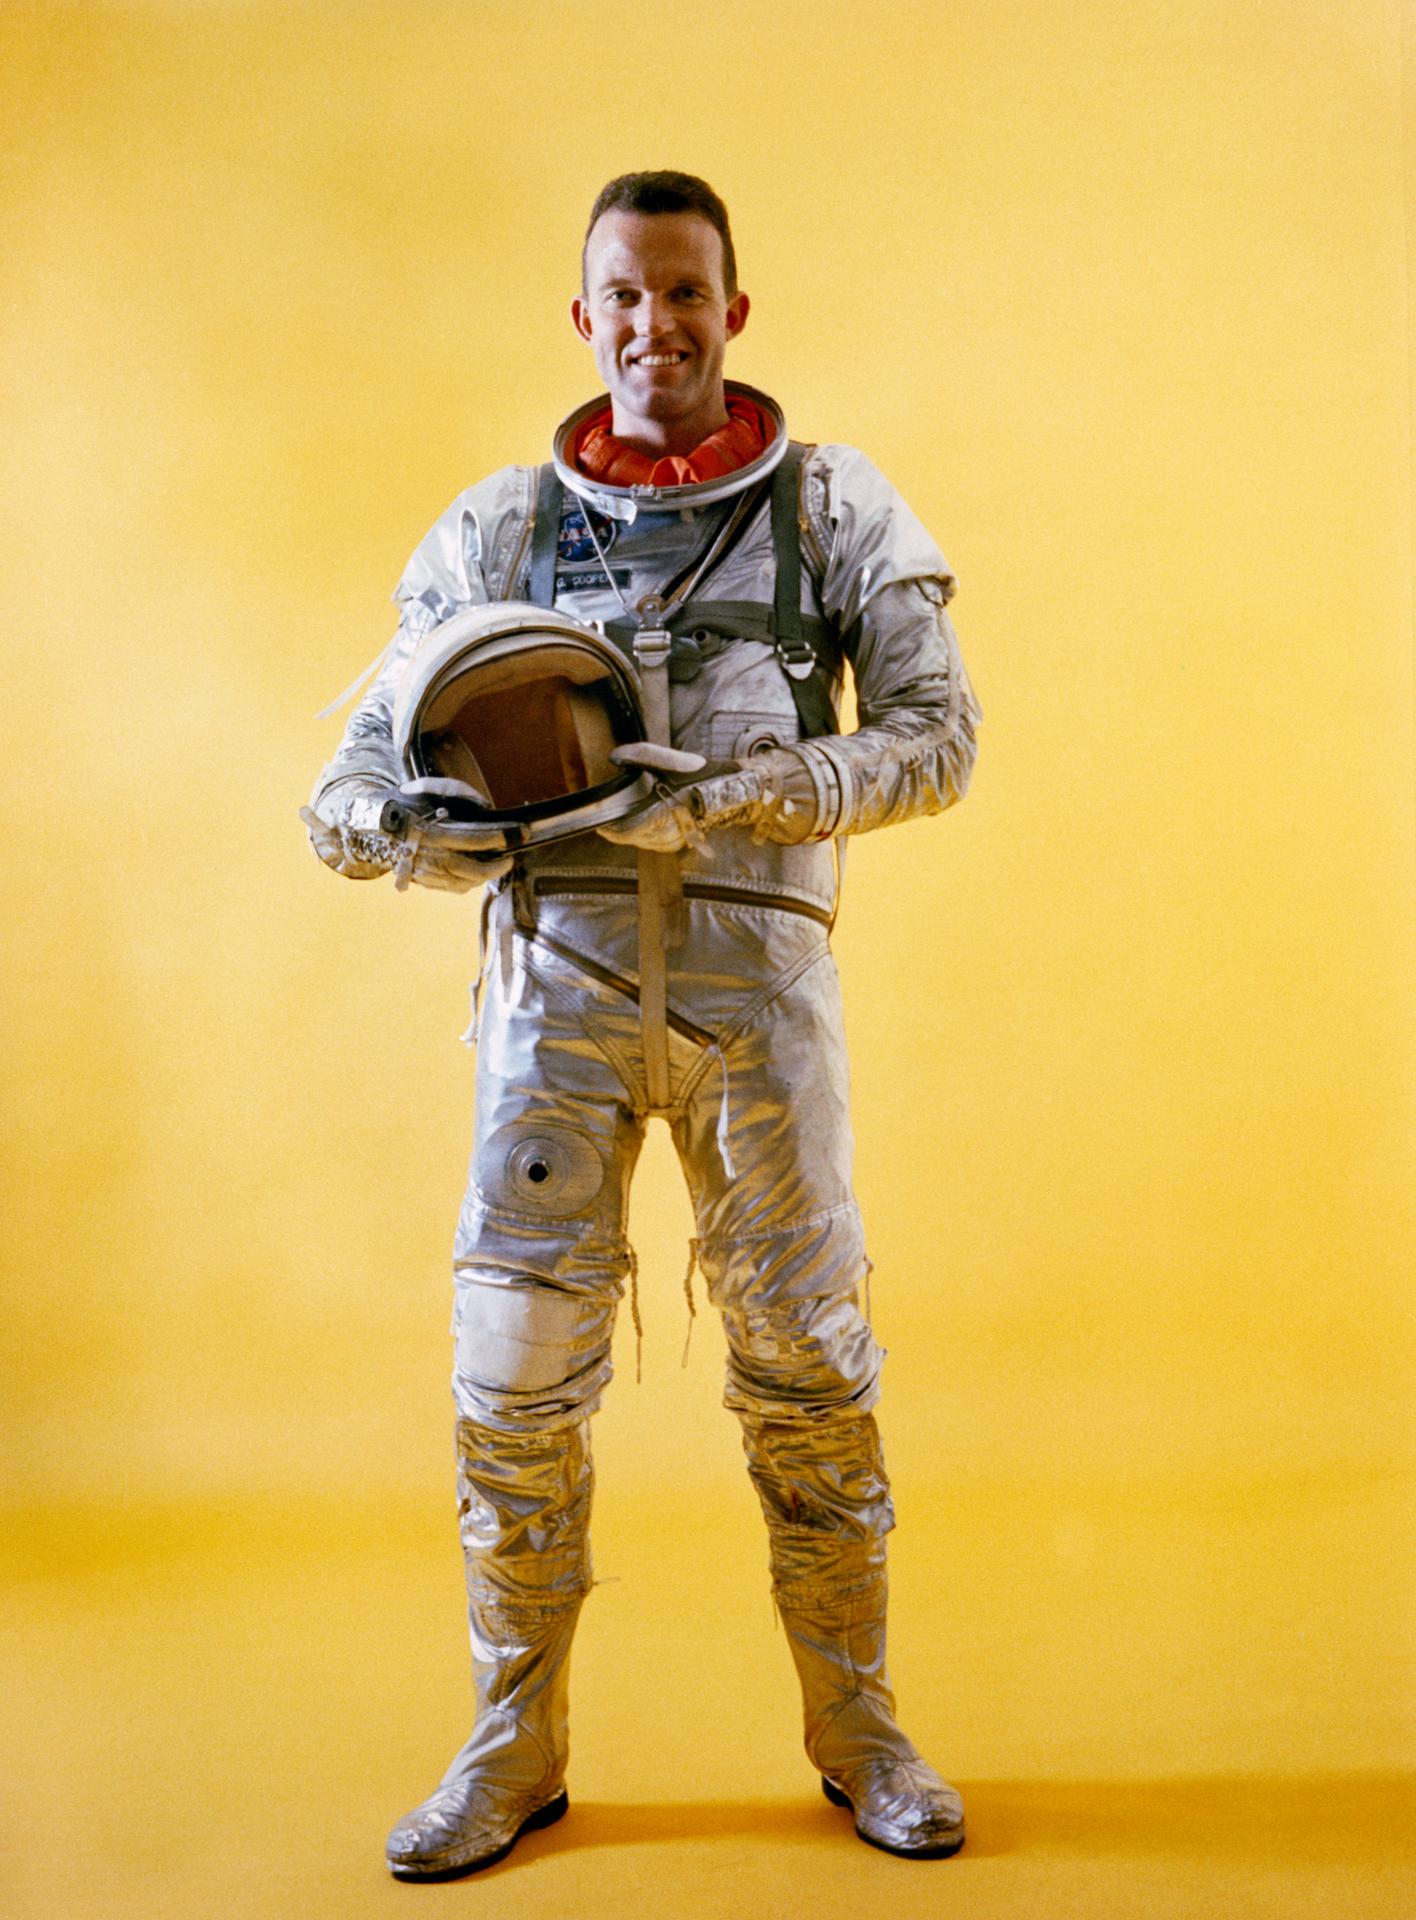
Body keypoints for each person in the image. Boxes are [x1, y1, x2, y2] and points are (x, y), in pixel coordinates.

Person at [304, 170, 982, 1881]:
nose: (654, 325)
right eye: (624, 292)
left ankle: (860, 1730)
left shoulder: (833, 511)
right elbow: (351, 781)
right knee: (511, 1389)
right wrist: (411, 830)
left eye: (687, 293)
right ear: (583, 312)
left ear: (732, 311)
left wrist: (768, 789)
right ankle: (509, 1745)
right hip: (560, 1011)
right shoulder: (493, 535)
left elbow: (941, 732)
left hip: (762, 1012)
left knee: (812, 1375)